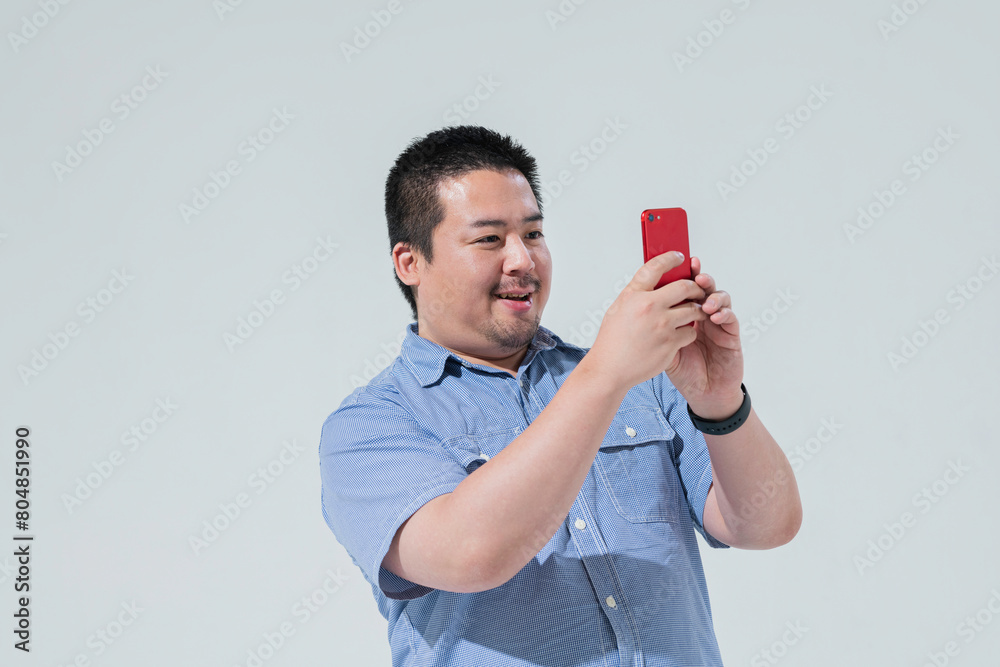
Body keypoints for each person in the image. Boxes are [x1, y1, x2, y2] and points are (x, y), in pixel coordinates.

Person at [318, 125, 802, 666]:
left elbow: (766, 524)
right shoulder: (370, 426)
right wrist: (605, 375)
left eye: (533, 233)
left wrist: (720, 402)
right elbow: (471, 553)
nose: (522, 260)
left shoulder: (644, 377)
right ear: (410, 262)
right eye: (489, 239)